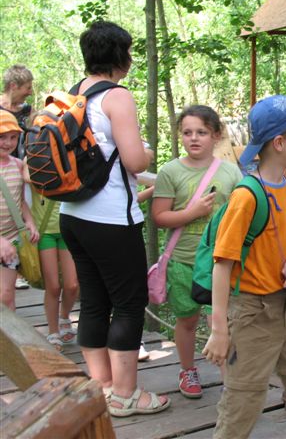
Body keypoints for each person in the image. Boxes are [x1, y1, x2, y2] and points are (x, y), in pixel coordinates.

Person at [59, 21, 169, 417]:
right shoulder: (116, 96)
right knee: (128, 302)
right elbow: (135, 161)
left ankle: (104, 387)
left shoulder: (72, 95)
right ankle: (125, 394)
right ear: (120, 55)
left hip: (72, 215)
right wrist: (148, 151)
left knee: (93, 301)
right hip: (110, 219)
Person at [203, 95, 286, 439]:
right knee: (245, 392)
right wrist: (219, 330)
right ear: (279, 143)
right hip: (252, 313)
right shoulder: (247, 196)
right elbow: (222, 264)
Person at [152, 105, 242, 398]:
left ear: (215, 135)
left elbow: (240, 215)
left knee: (221, 321)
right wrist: (193, 213)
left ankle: (230, 380)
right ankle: (187, 369)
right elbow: (159, 216)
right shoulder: (170, 171)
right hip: (182, 260)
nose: (194, 138)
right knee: (187, 319)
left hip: (220, 263)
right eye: (187, 132)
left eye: (201, 132)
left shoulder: (231, 172)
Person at [30, 188, 80, 349]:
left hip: (68, 226)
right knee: (53, 286)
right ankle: (53, 331)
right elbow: (25, 179)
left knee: (72, 285)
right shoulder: (32, 171)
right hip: (44, 230)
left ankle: (64, 317)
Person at [0, 110, 39, 310]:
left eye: (13, 137)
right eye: (2, 137)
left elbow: (20, 201)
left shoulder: (17, 165)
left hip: (12, 239)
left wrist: (30, 223)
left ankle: (10, 331)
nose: (8, 143)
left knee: (6, 295)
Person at [0, 64, 33, 159]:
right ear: (13, 86)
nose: (30, 92)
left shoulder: (28, 111)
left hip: (18, 166)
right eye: (28, 88)